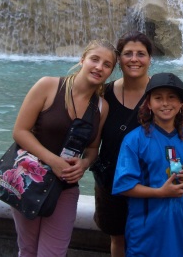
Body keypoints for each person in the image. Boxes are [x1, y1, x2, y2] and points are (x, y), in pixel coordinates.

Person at [91, 31, 183, 257]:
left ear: (150, 58)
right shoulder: (103, 94)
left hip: (156, 179)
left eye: (141, 53)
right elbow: (93, 142)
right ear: (119, 58)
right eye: (128, 53)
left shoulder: (166, 94)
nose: (134, 59)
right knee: (119, 238)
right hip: (113, 182)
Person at [11, 38, 117, 257]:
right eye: (94, 59)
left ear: (111, 72)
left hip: (65, 188)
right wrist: (54, 161)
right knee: (28, 250)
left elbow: (93, 148)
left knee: (53, 253)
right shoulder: (48, 85)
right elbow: (20, 131)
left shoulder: (101, 107)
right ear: (82, 60)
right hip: (28, 180)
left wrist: (85, 163)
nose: (99, 67)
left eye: (107, 65)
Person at [112, 72, 183, 257]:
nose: (165, 103)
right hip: (146, 229)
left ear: (180, 104)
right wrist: (160, 193)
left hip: (180, 227)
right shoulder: (134, 140)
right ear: (148, 103)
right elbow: (123, 185)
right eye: (158, 98)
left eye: (172, 97)